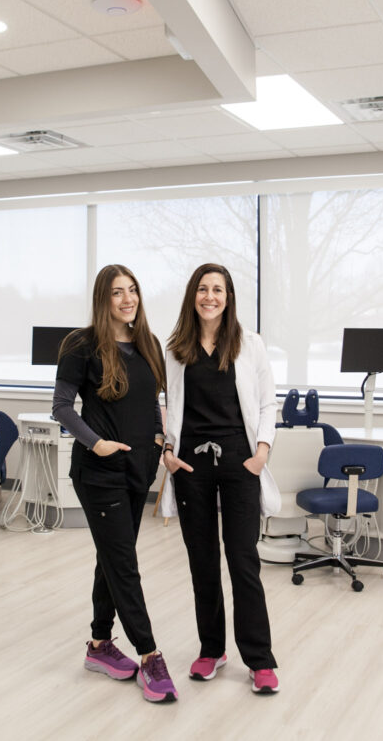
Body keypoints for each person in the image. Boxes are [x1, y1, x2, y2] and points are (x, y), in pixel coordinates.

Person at [52, 264, 178, 703]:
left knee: (112, 554)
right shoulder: (81, 344)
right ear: (102, 298)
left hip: (140, 468)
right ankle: (149, 654)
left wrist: (162, 441)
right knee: (123, 561)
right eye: (117, 293)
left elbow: (153, 404)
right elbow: (62, 408)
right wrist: (97, 443)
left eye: (133, 291)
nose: (127, 299)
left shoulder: (147, 344)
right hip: (100, 471)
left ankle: (100, 645)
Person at [159, 262, 281, 695]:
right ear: (193, 295)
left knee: (243, 559)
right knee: (202, 561)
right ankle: (212, 649)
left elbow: (268, 403)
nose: (210, 296)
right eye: (203, 289)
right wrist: (168, 454)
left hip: (239, 463)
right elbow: (166, 405)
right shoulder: (175, 348)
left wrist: (261, 452)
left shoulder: (249, 344)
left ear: (229, 298)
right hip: (191, 465)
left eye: (219, 290)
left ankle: (260, 659)